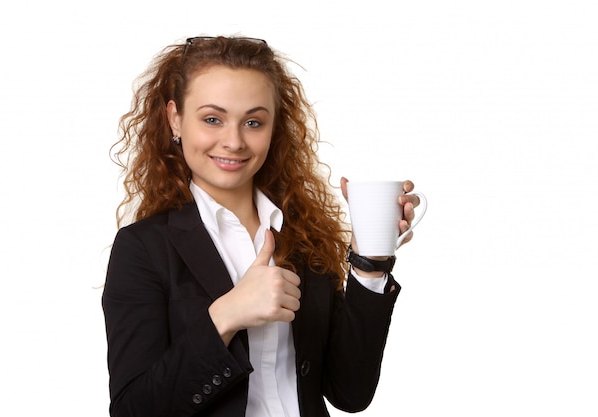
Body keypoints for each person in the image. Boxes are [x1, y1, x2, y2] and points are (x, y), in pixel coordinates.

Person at [102, 35, 421, 417]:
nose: (234, 141)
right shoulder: (143, 248)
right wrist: (227, 315)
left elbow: (350, 393)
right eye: (212, 119)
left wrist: (370, 263)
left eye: (253, 122)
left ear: (273, 128)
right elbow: (133, 410)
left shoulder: (304, 236)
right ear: (175, 119)